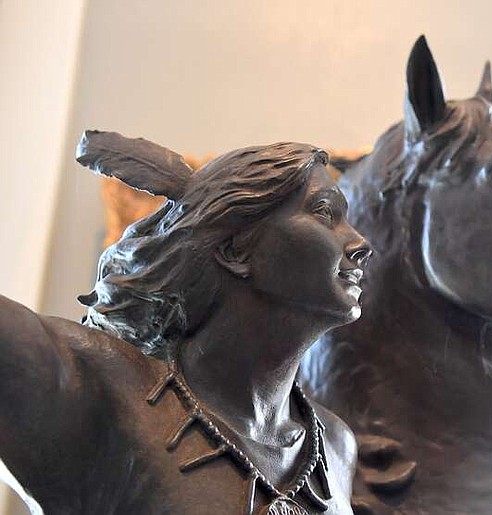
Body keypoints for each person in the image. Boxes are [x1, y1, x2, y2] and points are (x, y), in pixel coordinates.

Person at [0, 131, 372, 514]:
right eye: (325, 212)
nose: (361, 243)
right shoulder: (96, 386)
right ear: (235, 248)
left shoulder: (335, 447)